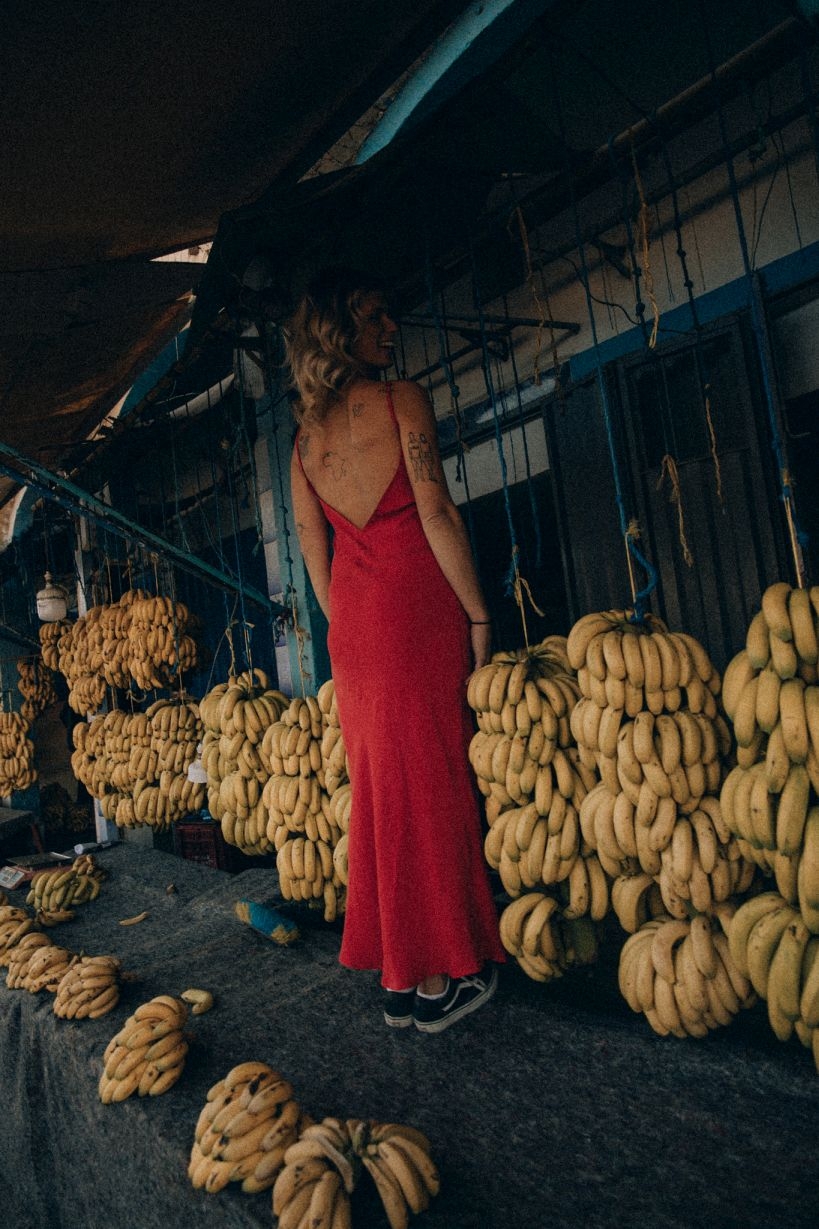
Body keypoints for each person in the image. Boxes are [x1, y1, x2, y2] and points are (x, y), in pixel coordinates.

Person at [286, 267, 505, 1033]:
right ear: (342, 329)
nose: (391, 329)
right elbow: (436, 508)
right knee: (436, 786)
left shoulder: (302, 443)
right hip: (417, 610)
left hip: (355, 628)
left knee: (383, 797)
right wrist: (478, 613)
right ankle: (444, 976)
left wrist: (351, 621)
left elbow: (314, 562)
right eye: (376, 316)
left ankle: (399, 977)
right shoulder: (400, 399)